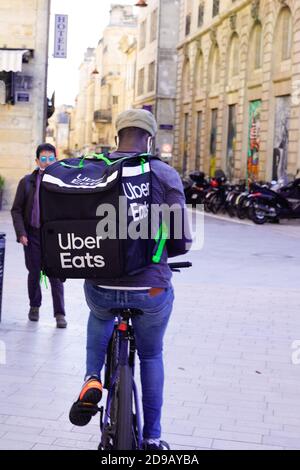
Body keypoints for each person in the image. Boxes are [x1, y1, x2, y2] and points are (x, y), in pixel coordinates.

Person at [69, 109, 191, 449]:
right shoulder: (164, 174)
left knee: (100, 313)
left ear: (116, 136)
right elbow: (180, 237)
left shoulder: (95, 171)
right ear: (149, 139)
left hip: (102, 285)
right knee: (151, 355)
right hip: (150, 287)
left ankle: (92, 378)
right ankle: (153, 438)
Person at [11, 143, 67, 329]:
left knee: (56, 276)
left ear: (56, 160)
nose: (47, 162)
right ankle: (34, 306)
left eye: (51, 159)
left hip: (54, 238)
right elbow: (16, 210)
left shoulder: (63, 182)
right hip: (33, 235)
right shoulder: (26, 182)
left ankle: (60, 314)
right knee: (34, 273)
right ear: (37, 161)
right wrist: (21, 233)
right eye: (43, 159)